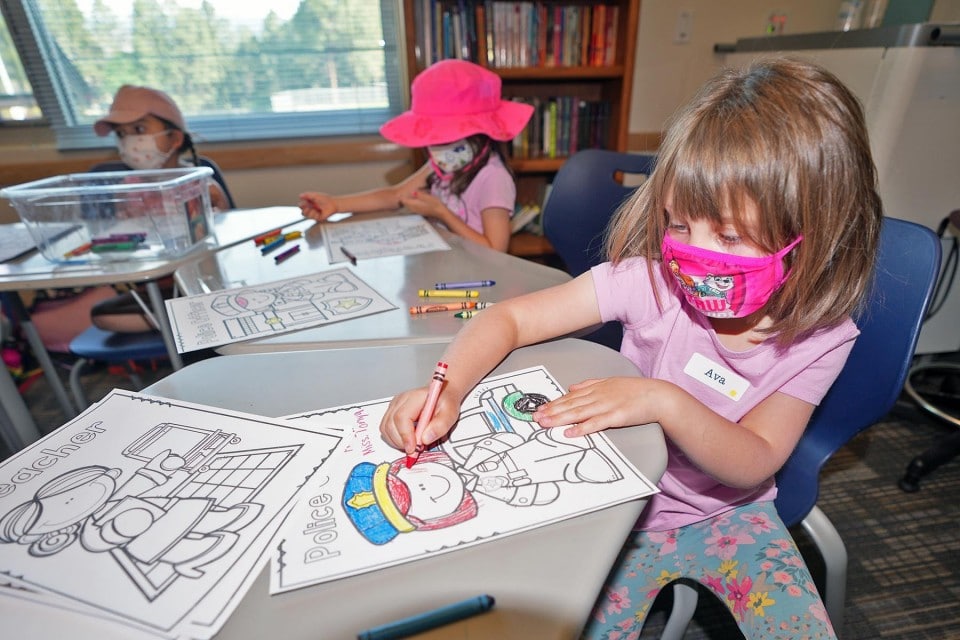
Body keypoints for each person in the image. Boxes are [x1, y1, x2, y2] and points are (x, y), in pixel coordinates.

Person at [378, 57, 883, 639]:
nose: (693, 256)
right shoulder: (648, 280)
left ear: (815, 233)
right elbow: (508, 319)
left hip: (733, 516)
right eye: (679, 225)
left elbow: (756, 461)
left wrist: (663, 401)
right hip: (621, 505)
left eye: (729, 235)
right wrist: (446, 386)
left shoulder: (822, 338)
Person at [298, 59, 534, 253]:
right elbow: (395, 196)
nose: (436, 149)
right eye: (432, 139)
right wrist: (337, 204)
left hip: (479, 278)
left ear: (480, 133)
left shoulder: (493, 178)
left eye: (446, 139)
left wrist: (442, 213)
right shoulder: (445, 164)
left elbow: (495, 250)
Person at [89, 85, 233, 333]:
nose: (129, 141)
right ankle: (193, 318)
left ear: (174, 138)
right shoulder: (127, 189)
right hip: (156, 285)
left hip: (203, 280)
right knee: (103, 316)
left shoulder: (200, 183)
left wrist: (216, 204)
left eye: (139, 130)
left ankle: (197, 315)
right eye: (121, 134)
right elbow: (123, 242)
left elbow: (225, 236)